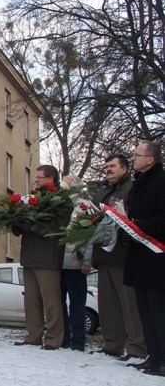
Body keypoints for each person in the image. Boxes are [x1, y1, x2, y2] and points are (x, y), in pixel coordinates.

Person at [82, 154, 147, 360]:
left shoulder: (131, 189)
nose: (108, 169)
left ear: (125, 169)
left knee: (129, 305)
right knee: (108, 304)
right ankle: (113, 343)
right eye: (106, 166)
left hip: (123, 255)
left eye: (113, 166)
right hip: (103, 256)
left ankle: (136, 346)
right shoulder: (103, 192)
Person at [12, 164, 68, 350]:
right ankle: (33, 335)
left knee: (51, 301)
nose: (35, 180)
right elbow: (28, 222)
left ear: (51, 179)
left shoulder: (61, 200)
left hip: (47, 257)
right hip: (29, 255)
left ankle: (53, 338)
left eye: (39, 177)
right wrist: (16, 222)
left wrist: (27, 225)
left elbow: (54, 228)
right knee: (31, 299)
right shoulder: (33, 198)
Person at [123, 141, 165, 377]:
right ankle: (154, 355)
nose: (134, 158)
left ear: (150, 159)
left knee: (158, 312)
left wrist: (139, 227)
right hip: (140, 255)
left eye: (137, 155)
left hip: (157, 257)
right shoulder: (140, 183)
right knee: (146, 312)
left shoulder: (161, 181)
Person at [60, 175, 90, 352]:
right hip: (59, 261)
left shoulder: (84, 207)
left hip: (75, 262)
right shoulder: (60, 206)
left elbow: (90, 237)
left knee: (77, 303)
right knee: (60, 302)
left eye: (68, 184)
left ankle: (78, 340)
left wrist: (86, 260)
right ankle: (63, 337)